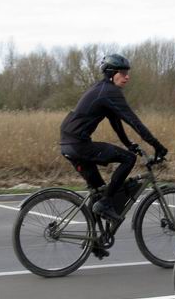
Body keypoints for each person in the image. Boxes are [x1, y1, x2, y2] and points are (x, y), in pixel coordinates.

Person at [60, 53, 168, 221]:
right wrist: (157, 146)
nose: (127, 76)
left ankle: (94, 242)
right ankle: (106, 203)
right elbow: (134, 122)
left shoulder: (101, 89)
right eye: (123, 73)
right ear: (111, 73)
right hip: (78, 145)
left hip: (69, 144)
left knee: (99, 191)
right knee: (128, 159)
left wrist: (128, 143)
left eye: (127, 73)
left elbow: (116, 123)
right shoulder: (110, 92)